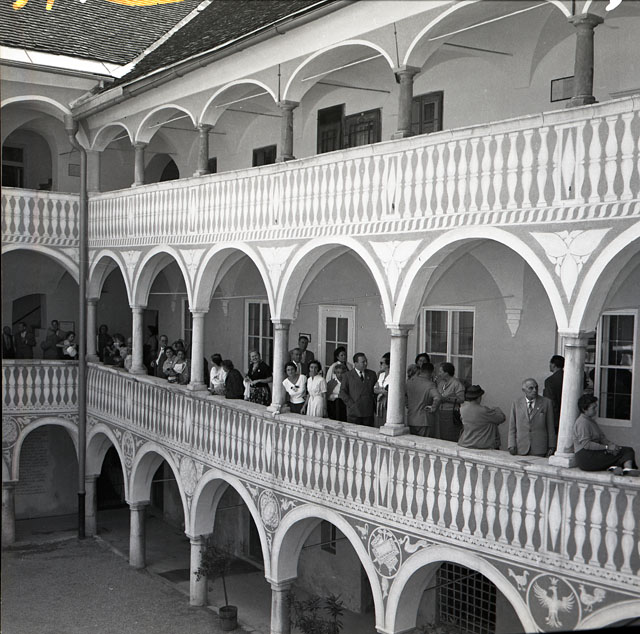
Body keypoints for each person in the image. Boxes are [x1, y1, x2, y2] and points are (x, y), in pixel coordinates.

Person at [573, 394, 639, 476]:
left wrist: (612, 445)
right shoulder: (582, 423)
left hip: (594, 453)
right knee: (626, 451)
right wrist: (607, 447)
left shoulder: (591, 421)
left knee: (620, 450)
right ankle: (627, 468)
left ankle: (617, 468)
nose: (596, 410)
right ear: (584, 409)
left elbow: (602, 438)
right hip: (586, 457)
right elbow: (586, 445)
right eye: (593, 408)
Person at [508, 378, 556, 457]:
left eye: (536, 387)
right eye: (531, 388)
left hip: (539, 448)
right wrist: (511, 444)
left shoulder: (546, 403)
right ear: (524, 390)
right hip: (521, 447)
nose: (534, 390)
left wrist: (552, 446)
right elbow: (512, 427)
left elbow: (550, 426)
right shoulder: (516, 403)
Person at [458, 385, 506, 449]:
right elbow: (501, 418)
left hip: (465, 443)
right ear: (479, 397)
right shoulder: (484, 411)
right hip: (482, 445)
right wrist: (497, 409)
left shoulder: (462, 409)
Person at [339, 352, 377, 427]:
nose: (366, 363)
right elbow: (342, 392)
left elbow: (375, 391)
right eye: (363, 362)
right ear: (355, 363)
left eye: (366, 361)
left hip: (368, 412)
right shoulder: (348, 375)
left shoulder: (372, 374)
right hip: (354, 412)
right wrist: (351, 404)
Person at [405, 361, 441, 437]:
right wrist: (433, 408)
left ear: (421, 370)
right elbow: (437, 397)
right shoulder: (430, 384)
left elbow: (404, 395)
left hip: (411, 418)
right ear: (432, 372)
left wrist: (407, 404)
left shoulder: (410, 382)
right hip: (424, 420)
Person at [436, 362, 465, 441]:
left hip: (451, 413)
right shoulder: (441, 383)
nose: (439, 374)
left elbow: (461, 399)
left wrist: (447, 399)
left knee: (450, 435)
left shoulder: (456, 384)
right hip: (441, 411)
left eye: (440, 372)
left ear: (446, 373)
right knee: (442, 434)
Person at [543, 355, 564, 434]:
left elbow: (549, 401)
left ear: (553, 365)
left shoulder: (550, 381)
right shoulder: (568, 378)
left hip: (555, 418)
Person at [374, 352, 390, 428]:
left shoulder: (394, 376)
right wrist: (383, 391)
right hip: (379, 404)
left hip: (387, 404)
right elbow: (374, 389)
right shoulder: (381, 375)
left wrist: (380, 390)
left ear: (388, 364)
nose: (380, 365)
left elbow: (389, 392)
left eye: (382, 363)